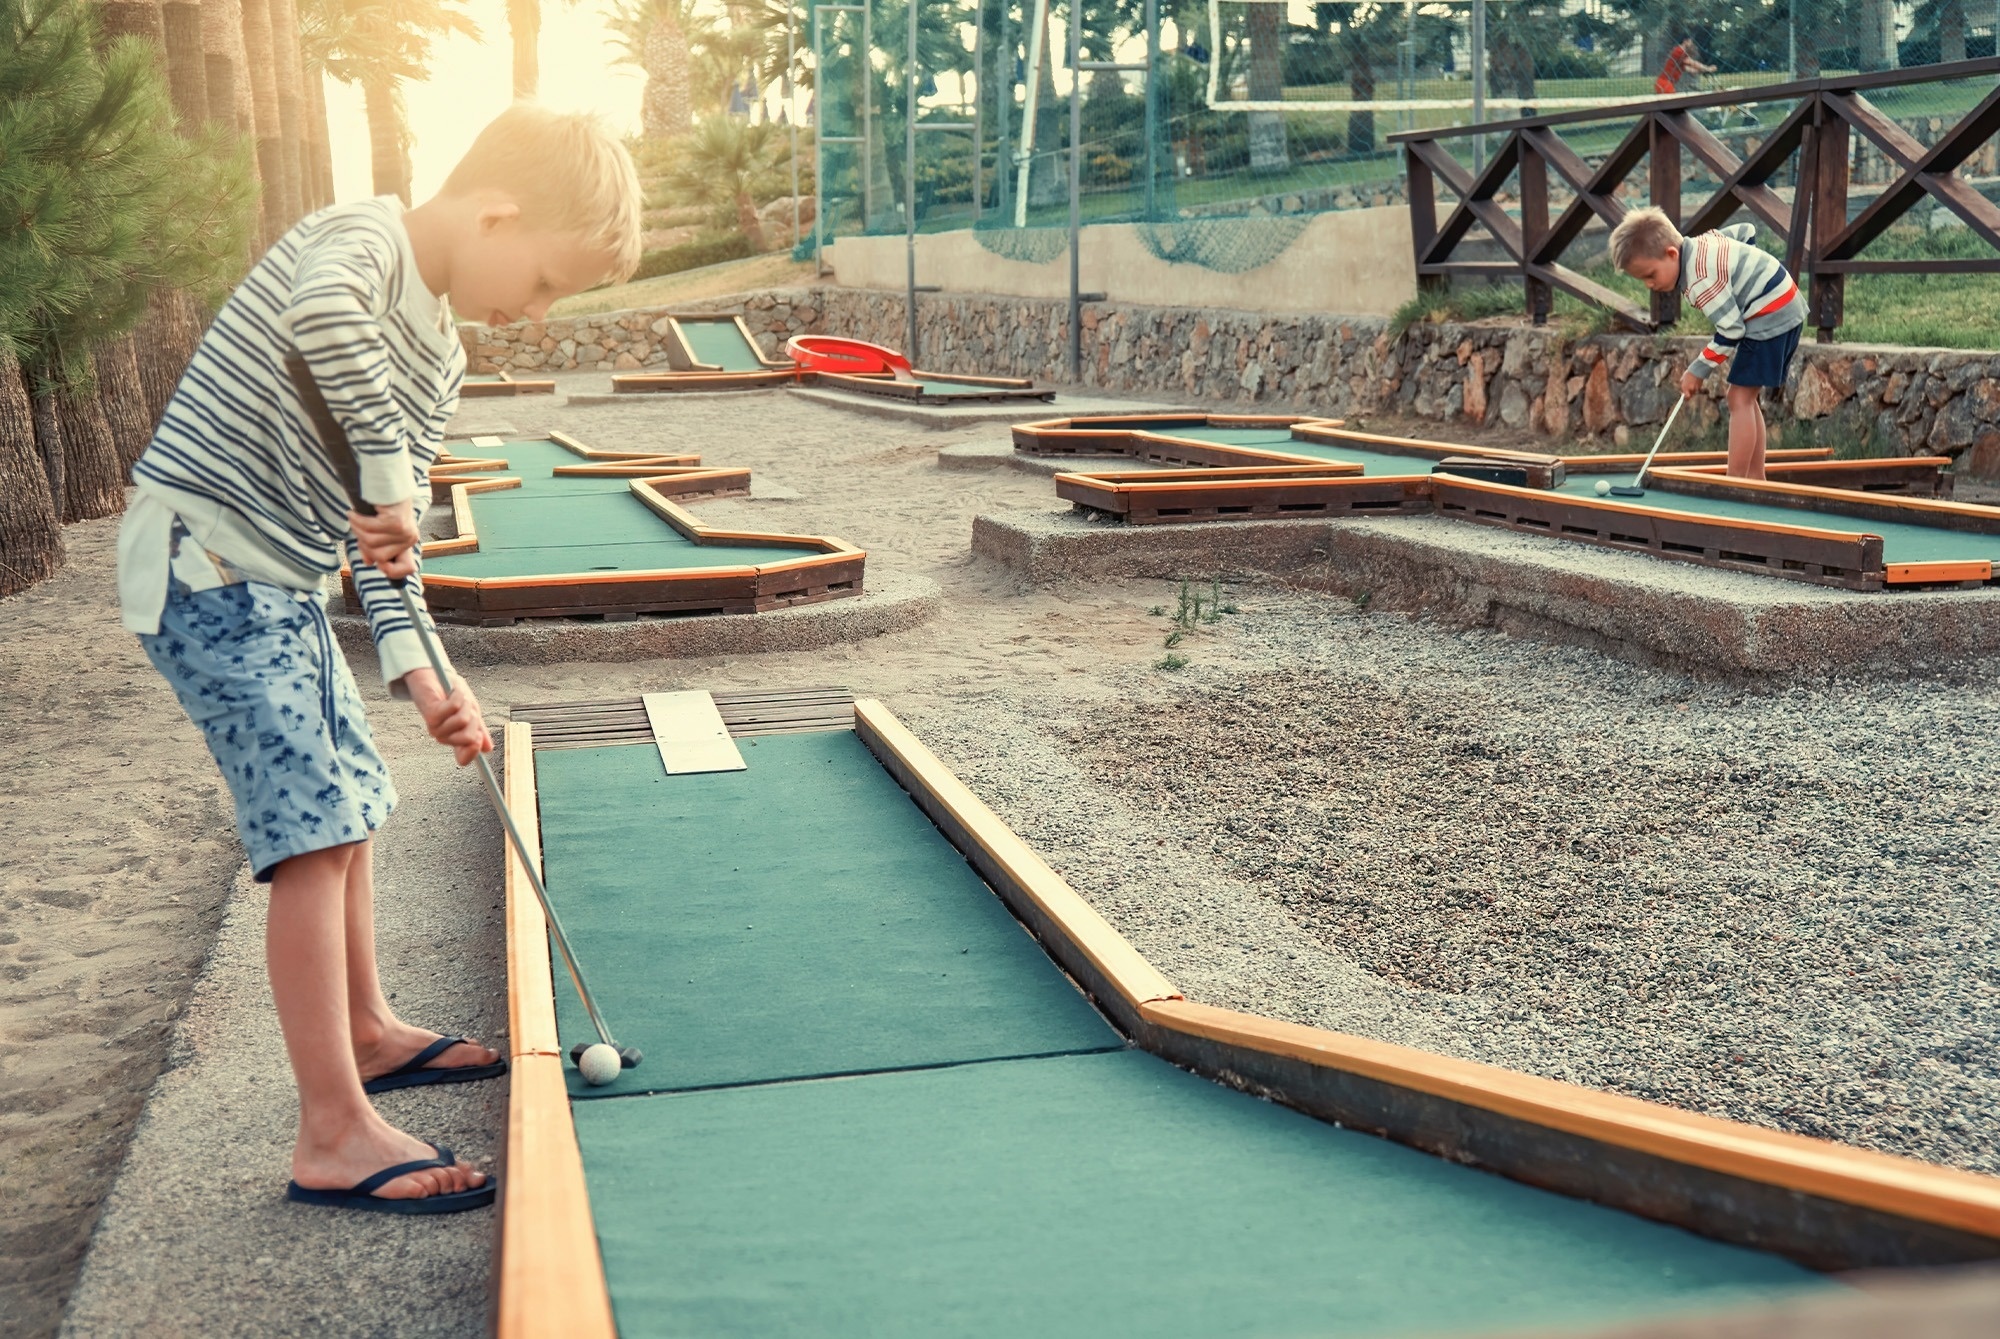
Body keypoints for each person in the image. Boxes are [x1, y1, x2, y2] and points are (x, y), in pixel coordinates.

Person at [118, 104, 642, 1213]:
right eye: (544, 279)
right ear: (496, 212)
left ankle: (364, 1029)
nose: (537, 314)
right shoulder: (358, 238)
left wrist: (426, 676)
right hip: (202, 560)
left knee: (354, 802)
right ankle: (332, 1131)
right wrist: (389, 473)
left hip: (285, 584)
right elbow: (326, 330)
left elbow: (382, 550)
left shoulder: (440, 353)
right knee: (311, 833)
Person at [1608, 206, 1805, 481]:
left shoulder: (1701, 279)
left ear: (1671, 254)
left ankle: (1734, 482)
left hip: (1770, 315)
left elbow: (1731, 330)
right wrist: (1745, 267)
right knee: (1745, 398)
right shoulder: (1705, 242)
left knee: (1738, 398)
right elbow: (1746, 231)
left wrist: (1697, 371)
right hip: (1783, 306)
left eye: (1650, 275)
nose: (1649, 285)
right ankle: (1755, 479)